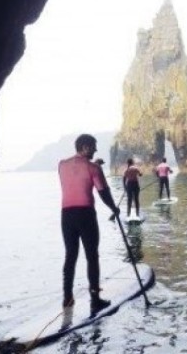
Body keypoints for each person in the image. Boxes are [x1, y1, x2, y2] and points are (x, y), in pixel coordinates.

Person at [58, 134, 120, 313]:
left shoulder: (62, 165)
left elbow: (76, 177)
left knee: (70, 255)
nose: (95, 150)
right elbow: (103, 192)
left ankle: (67, 298)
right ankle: (95, 299)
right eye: (93, 146)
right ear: (84, 147)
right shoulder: (93, 168)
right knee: (92, 256)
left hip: (66, 215)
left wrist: (95, 167)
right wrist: (114, 209)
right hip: (85, 214)